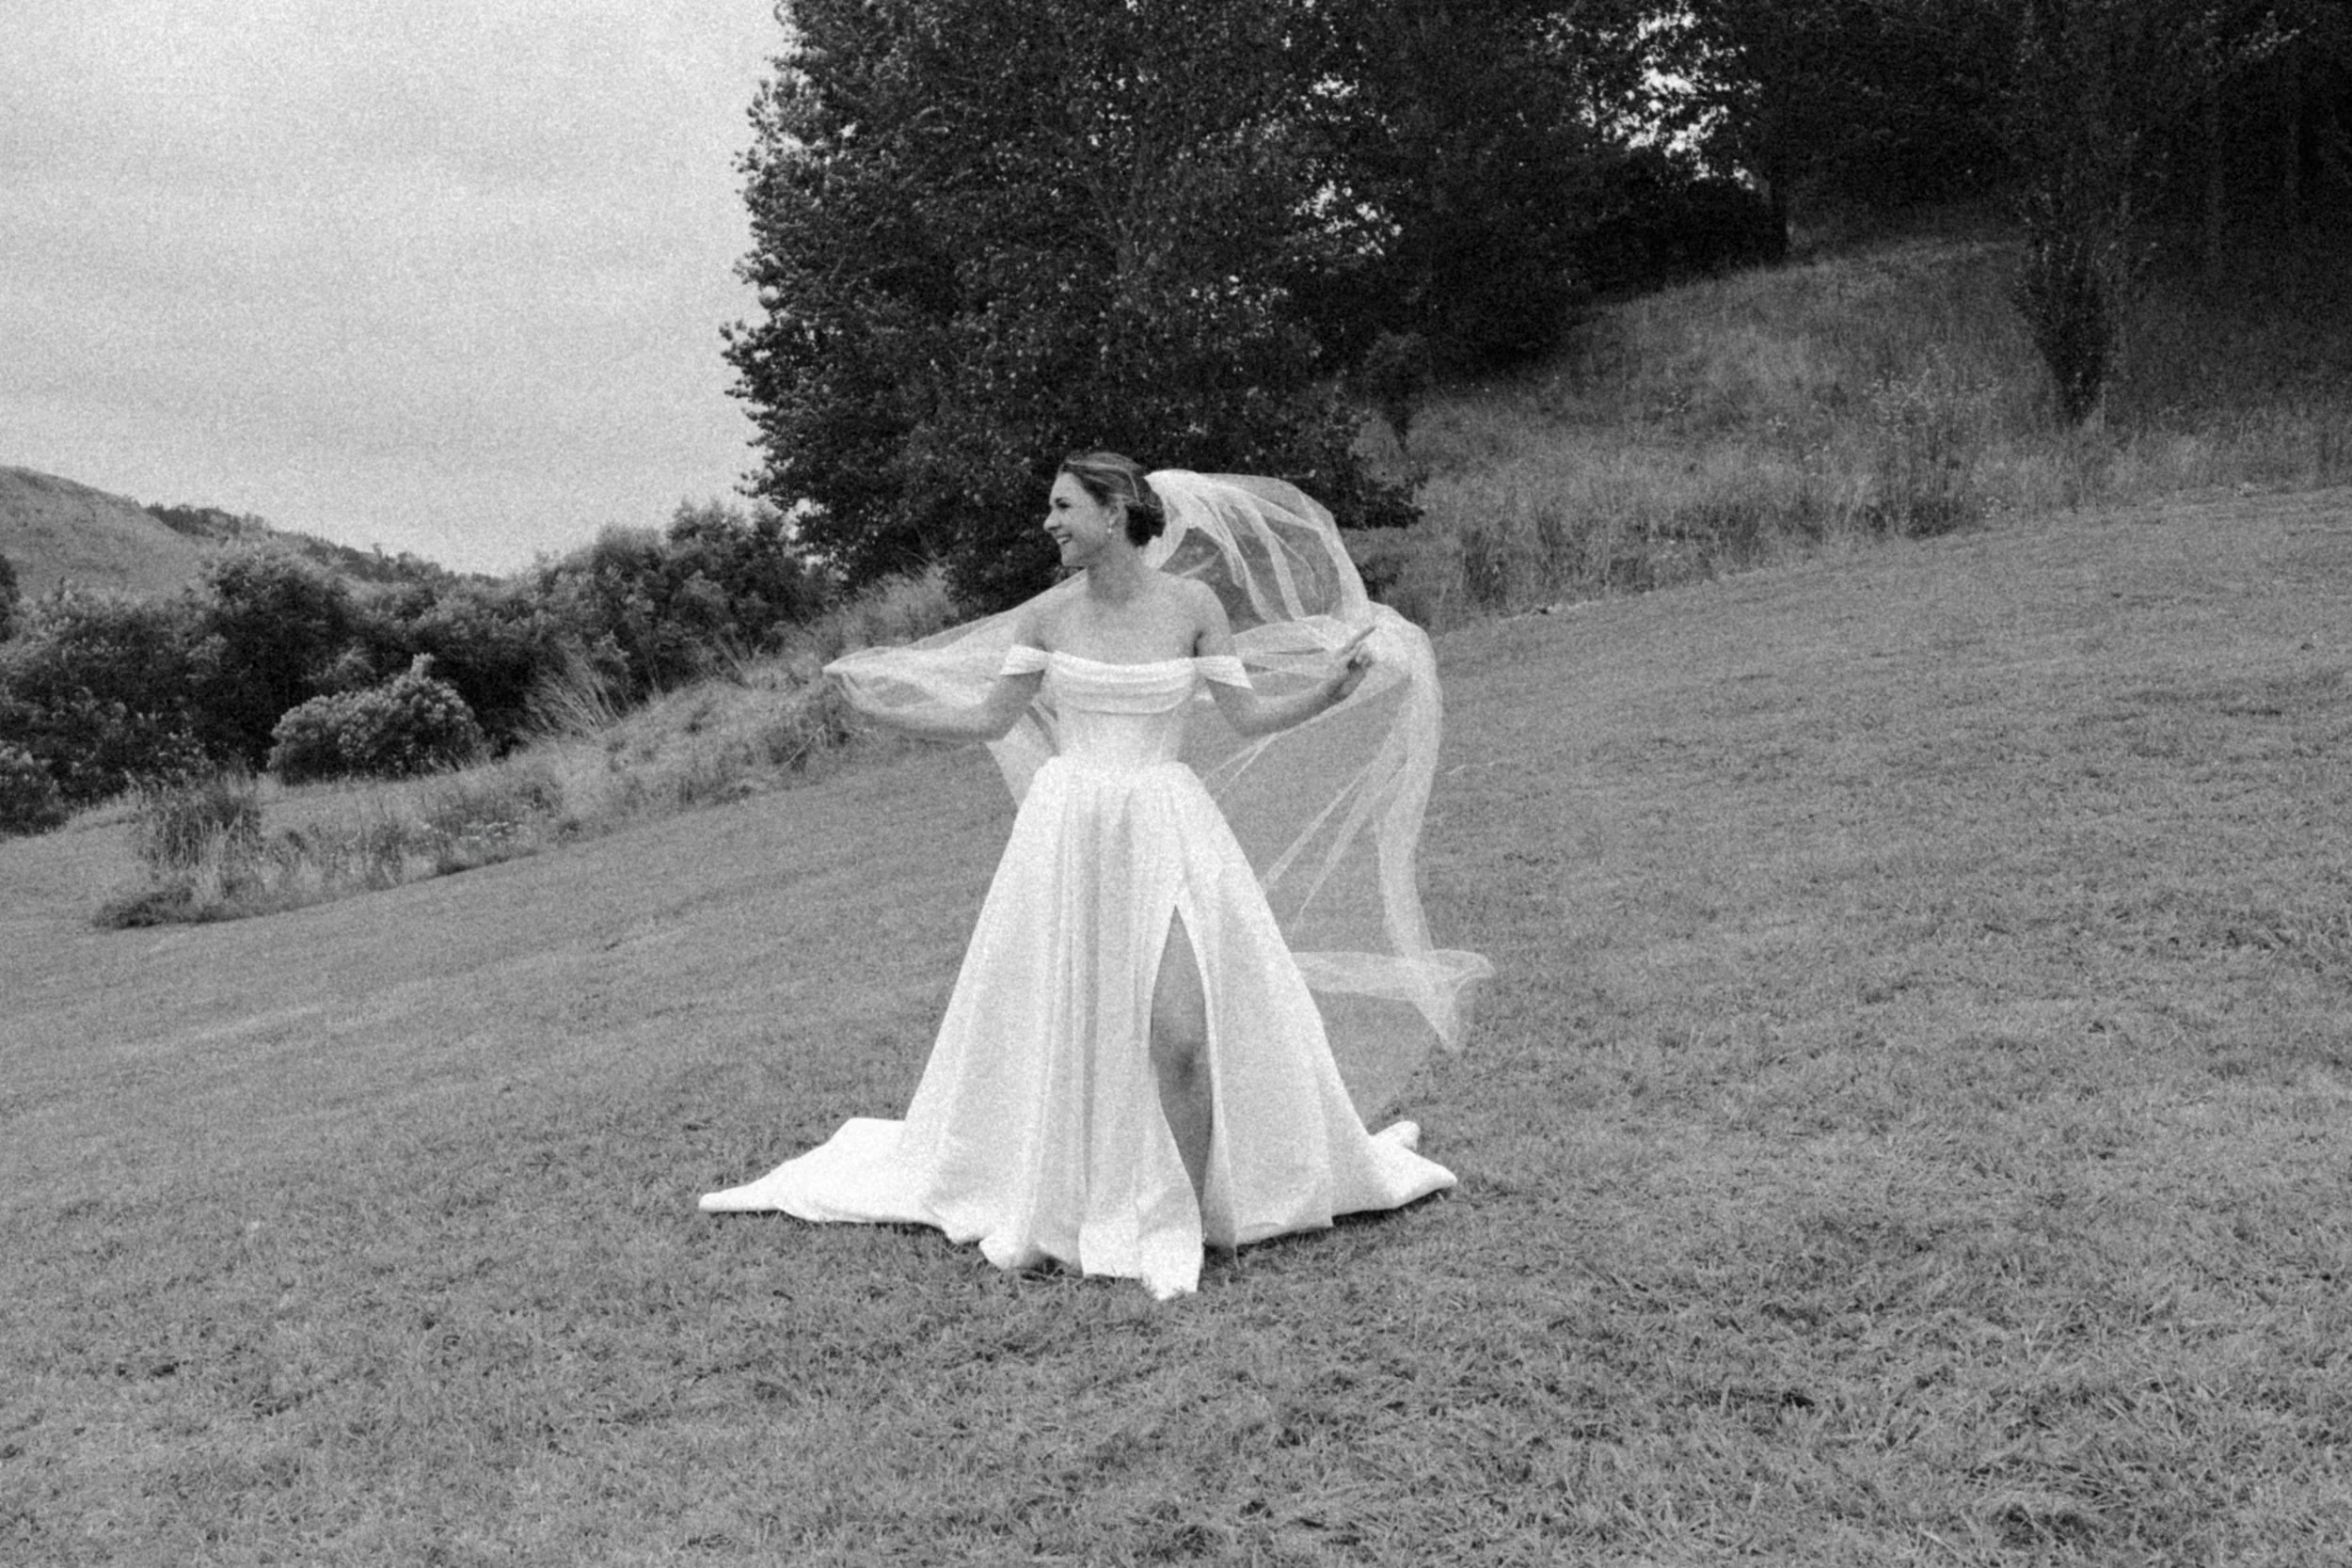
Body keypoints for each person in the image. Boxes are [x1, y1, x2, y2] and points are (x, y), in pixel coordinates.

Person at [700, 454, 1488, 1298]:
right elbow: (989, 718)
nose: (1049, 522)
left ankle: (1192, 1216)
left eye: (1063, 506)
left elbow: (1247, 713)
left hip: (1165, 826)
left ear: (1115, 514)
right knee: (1078, 1021)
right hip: (1069, 833)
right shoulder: (1046, 616)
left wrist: (1329, 691)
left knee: (1181, 1035)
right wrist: (885, 710)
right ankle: (1123, 1203)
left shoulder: (1193, 606)